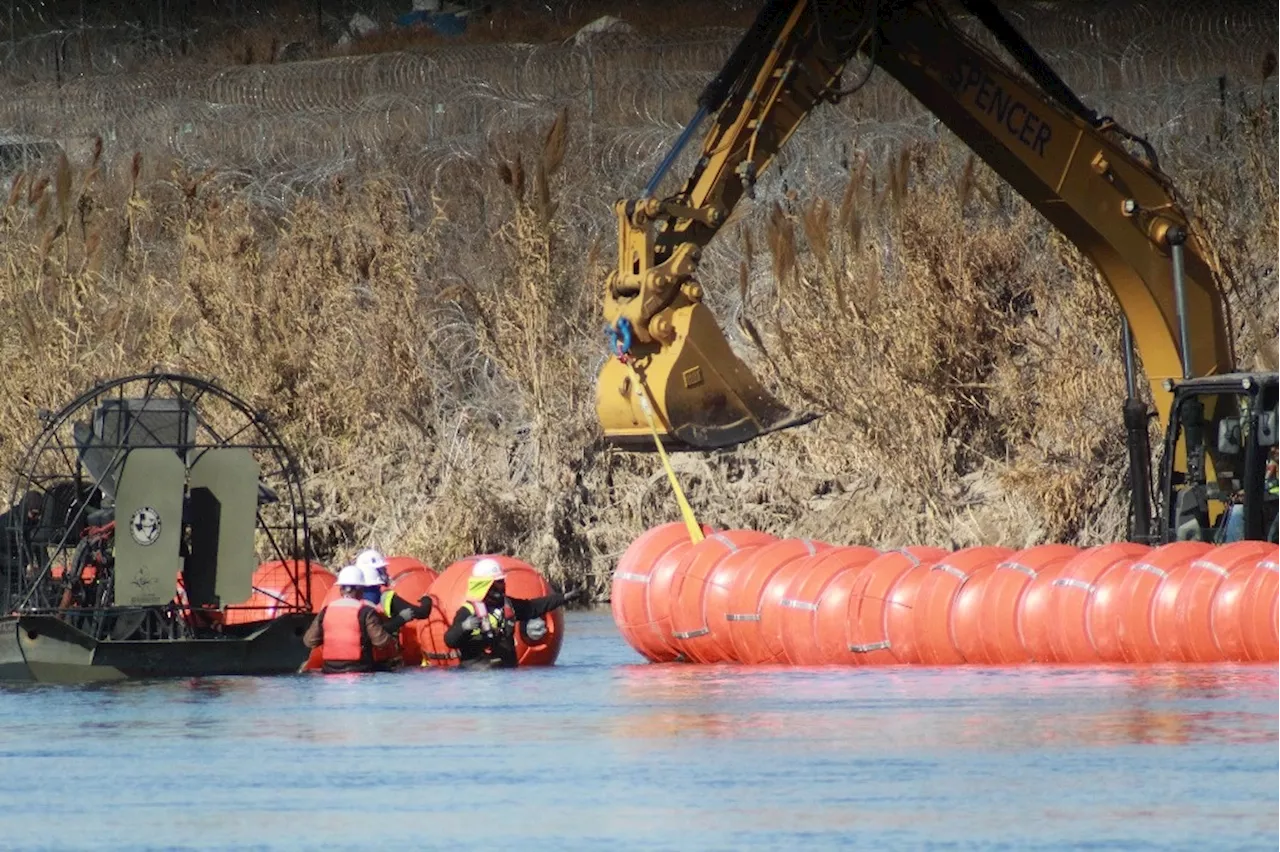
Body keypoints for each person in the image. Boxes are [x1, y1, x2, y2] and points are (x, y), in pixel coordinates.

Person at [443, 557, 582, 668]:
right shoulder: (468, 611)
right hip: (476, 669)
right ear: (486, 585)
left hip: (505, 670)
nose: (502, 586)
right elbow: (450, 640)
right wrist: (464, 627)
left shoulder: (507, 605)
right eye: (498, 583)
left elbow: (532, 607)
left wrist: (563, 598)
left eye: (502, 582)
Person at [302, 565, 398, 674]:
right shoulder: (366, 611)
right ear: (360, 589)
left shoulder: (326, 610)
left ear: (341, 589)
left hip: (330, 670)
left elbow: (309, 641)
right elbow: (381, 641)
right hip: (359, 669)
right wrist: (392, 634)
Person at [353, 548, 433, 630]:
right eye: (383, 570)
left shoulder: (352, 599)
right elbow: (423, 612)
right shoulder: (386, 598)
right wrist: (427, 599)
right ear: (376, 572)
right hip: (384, 641)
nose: (387, 573)